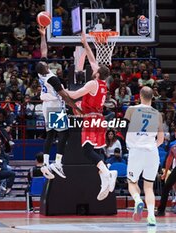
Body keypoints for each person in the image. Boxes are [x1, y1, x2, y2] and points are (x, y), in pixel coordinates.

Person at [66, 32, 117, 201]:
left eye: (95, 69)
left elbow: (74, 95)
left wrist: (60, 90)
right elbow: (92, 59)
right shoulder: (103, 84)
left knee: (87, 150)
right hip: (99, 118)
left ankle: (107, 172)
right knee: (94, 150)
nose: (94, 67)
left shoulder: (92, 83)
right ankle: (105, 175)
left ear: (96, 73)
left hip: (91, 119)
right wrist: (85, 43)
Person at [36, 26, 80, 180]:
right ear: (46, 68)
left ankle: (46, 163)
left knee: (50, 134)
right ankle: (58, 163)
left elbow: (43, 52)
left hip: (46, 106)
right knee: (64, 133)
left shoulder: (41, 73)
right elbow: (65, 96)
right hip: (55, 106)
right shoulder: (52, 78)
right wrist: (76, 107)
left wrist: (43, 36)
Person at [122, 86, 164, 226]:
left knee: (132, 182)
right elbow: (161, 139)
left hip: (136, 150)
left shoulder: (132, 109)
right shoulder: (157, 113)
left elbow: (123, 128)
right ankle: (151, 216)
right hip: (152, 151)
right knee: (148, 187)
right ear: (152, 97)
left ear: (139, 96)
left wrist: (128, 143)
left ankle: (137, 200)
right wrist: (151, 146)